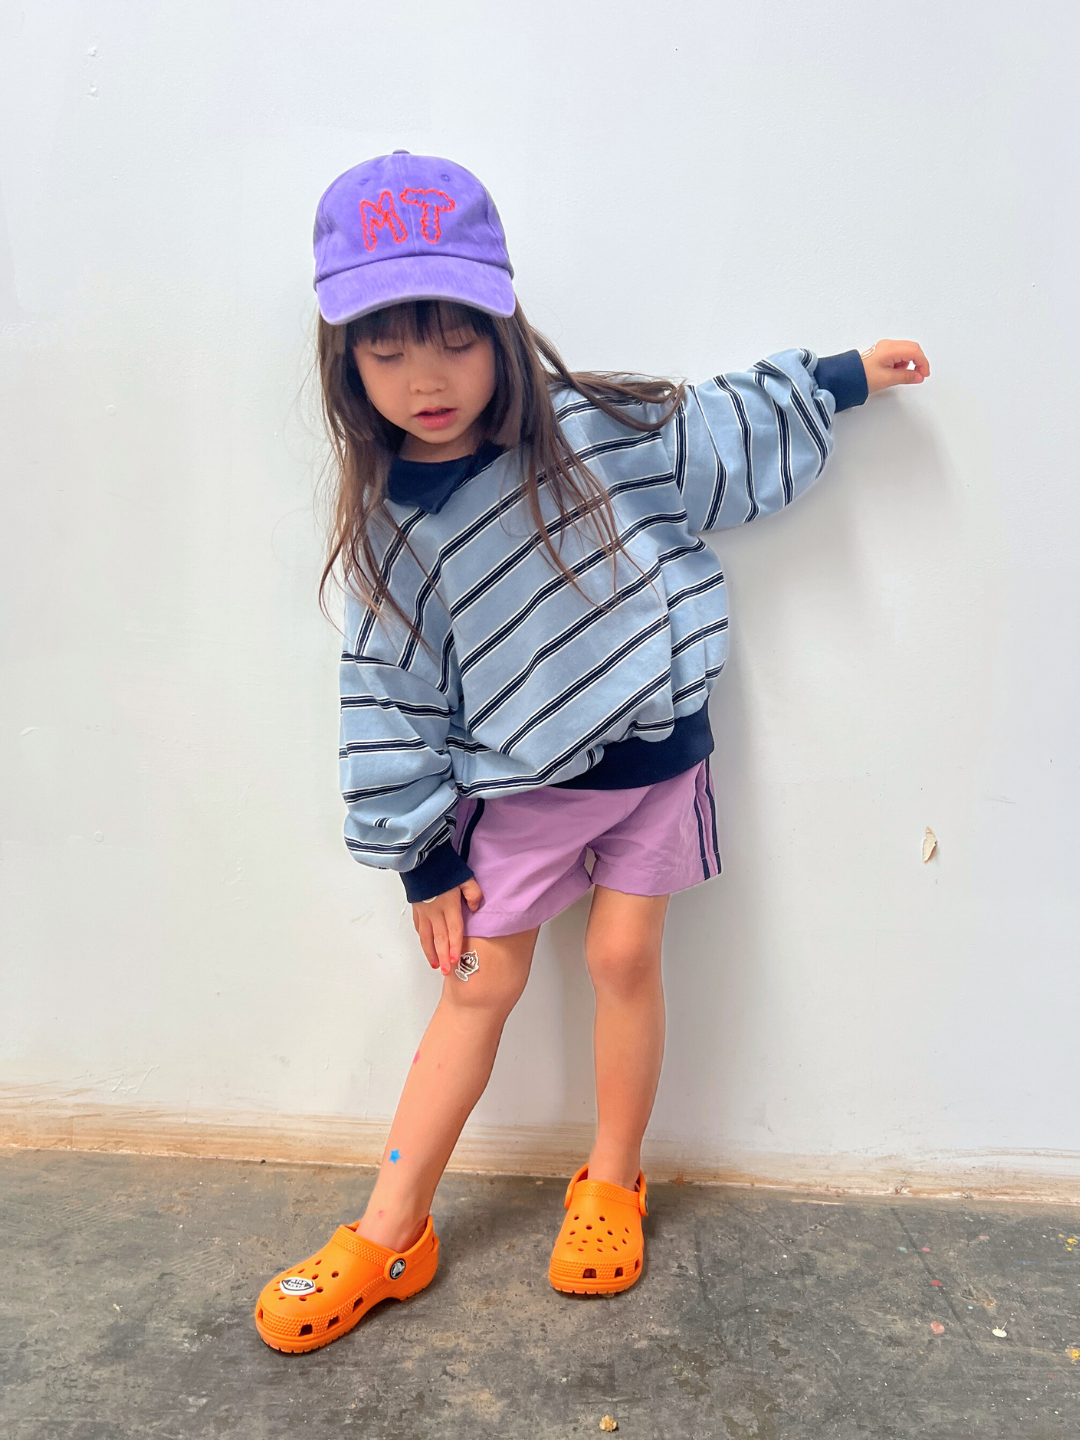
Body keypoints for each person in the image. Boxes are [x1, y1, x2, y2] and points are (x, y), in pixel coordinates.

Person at [255, 152, 929, 1353]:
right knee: (481, 987)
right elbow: (386, 695)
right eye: (386, 345)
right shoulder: (390, 528)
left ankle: (611, 1178)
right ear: (343, 355)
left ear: (504, 319)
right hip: (515, 793)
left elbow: (715, 426)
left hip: (658, 764)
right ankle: (389, 1228)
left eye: (454, 336)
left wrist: (836, 379)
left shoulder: (593, 428)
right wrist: (417, 854)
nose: (426, 377)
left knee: (625, 956)